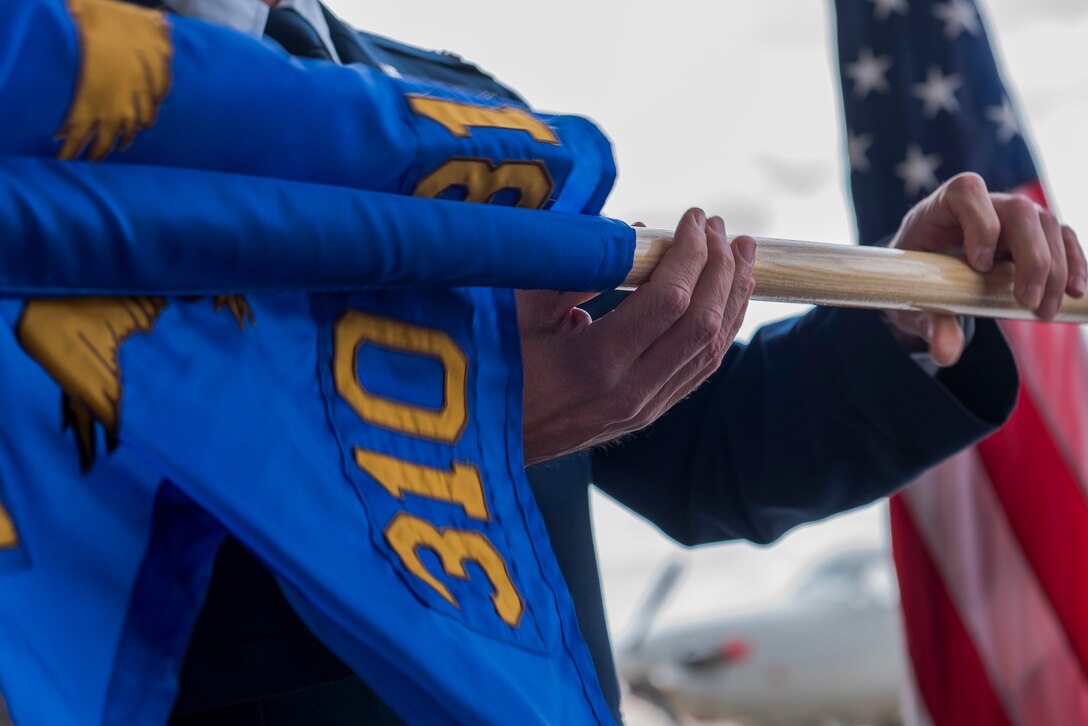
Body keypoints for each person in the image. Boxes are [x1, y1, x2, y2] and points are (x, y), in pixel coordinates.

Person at [124, 2, 1086, 723]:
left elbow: (710, 452)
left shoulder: (461, 115)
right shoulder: (47, 137)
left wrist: (905, 307)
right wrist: (469, 454)